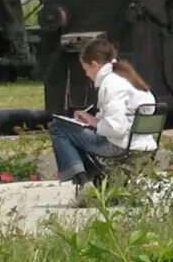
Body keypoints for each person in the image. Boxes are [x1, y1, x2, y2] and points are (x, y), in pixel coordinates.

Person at [49, 38, 158, 192]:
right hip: (143, 142)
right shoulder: (128, 78)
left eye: (85, 69)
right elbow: (126, 117)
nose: (86, 74)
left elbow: (116, 128)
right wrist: (92, 120)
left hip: (120, 146)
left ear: (94, 65)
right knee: (70, 133)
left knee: (58, 128)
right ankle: (91, 176)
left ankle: (84, 180)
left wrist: (95, 124)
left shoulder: (111, 84)